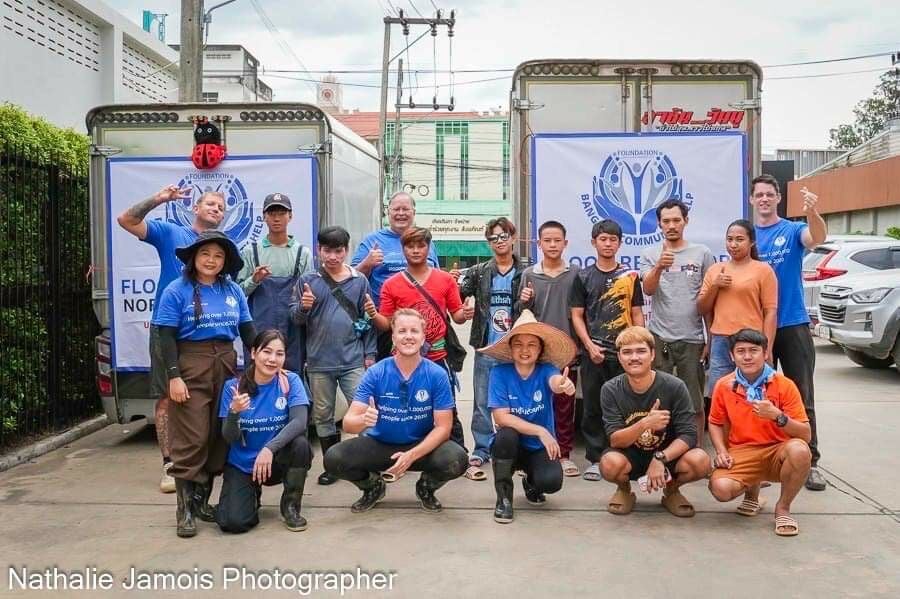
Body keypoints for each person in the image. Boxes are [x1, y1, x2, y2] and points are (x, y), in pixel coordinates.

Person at [117, 186, 225, 493]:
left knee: (206, 400)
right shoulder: (170, 234)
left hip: (207, 336)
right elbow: (126, 220)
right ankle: (169, 464)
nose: (216, 208)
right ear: (196, 207)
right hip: (170, 331)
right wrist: (157, 199)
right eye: (210, 203)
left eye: (221, 206)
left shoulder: (224, 246)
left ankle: (201, 460)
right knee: (167, 397)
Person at [152, 230, 255, 538]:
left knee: (216, 437)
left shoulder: (233, 290)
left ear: (226, 262)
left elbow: (248, 331)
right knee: (192, 438)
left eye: (218, 255)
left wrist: (264, 360)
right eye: (205, 254)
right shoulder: (176, 290)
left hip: (225, 363)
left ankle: (201, 502)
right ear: (194, 258)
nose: (211, 260)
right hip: (190, 364)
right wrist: (173, 376)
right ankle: (183, 509)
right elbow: (165, 337)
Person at [323, 309, 468, 513]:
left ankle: (426, 487)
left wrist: (411, 455)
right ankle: (372, 486)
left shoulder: (437, 374)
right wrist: (364, 419)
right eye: (402, 331)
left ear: (423, 336)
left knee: (456, 459)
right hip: (380, 444)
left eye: (414, 331)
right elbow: (348, 422)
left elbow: (444, 428)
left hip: (420, 445)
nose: (408, 336)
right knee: (334, 458)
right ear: (393, 336)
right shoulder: (376, 372)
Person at [751, 174, 827, 491]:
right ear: (752, 200)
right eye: (760, 195)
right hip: (756, 328)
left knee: (801, 395)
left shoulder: (792, 230)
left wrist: (812, 211)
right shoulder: (747, 235)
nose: (765, 199)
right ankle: (765, 462)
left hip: (793, 323)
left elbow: (818, 237)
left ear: (778, 198)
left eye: (770, 194)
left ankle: (809, 462)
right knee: (760, 398)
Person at [371, 227, 473, 452]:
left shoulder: (445, 280)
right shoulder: (391, 284)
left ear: (429, 247)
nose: (416, 250)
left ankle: (459, 454)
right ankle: (403, 452)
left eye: (421, 245)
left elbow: (456, 316)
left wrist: (464, 313)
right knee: (402, 406)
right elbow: (387, 324)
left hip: (438, 357)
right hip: (403, 360)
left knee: (448, 407)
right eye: (410, 246)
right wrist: (372, 314)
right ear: (403, 249)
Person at [290, 226, 377, 485]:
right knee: (323, 416)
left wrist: (370, 355)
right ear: (319, 250)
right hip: (318, 362)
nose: (333, 257)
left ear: (346, 251)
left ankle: (369, 461)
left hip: (353, 361)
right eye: (327, 250)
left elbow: (368, 318)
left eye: (338, 251)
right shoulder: (308, 280)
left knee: (365, 413)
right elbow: (294, 318)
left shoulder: (359, 281)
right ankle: (333, 464)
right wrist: (304, 308)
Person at [593, 326, 710, 517]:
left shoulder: (674, 386)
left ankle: (672, 490)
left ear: (653, 354)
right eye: (627, 352)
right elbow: (615, 440)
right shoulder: (610, 389)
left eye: (641, 351)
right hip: (630, 456)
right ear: (620, 357)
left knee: (700, 461)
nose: (634, 357)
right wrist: (645, 423)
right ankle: (623, 490)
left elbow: (689, 435)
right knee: (608, 464)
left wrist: (660, 458)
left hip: (667, 455)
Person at [708, 328, 812, 536]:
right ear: (731, 355)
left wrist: (777, 416)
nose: (747, 356)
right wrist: (721, 451)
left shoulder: (784, 385)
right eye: (741, 351)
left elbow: (806, 434)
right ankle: (752, 494)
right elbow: (715, 422)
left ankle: (783, 508)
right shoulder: (724, 385)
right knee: (720, 488)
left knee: (800, 451)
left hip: (778, 450)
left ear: (765, 353)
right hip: (743, 450)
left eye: (753, 350)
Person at [479, 310, 577, 523]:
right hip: (511, 446)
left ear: (540, 349)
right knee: (505, 435)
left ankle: (531, 484)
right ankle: (504, 497)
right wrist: (540, 430)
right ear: (510, 348)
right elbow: (501, 417)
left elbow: (555, 382)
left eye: (532, 344)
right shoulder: (499, 373)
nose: (525, 350)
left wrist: (563, 385)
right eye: (518, 344)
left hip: (537, 448)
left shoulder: (547, 370)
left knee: (551, 482)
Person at [570, 219, 645, 481]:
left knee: (626, 406)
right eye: (603, 239)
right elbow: (577, 316)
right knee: (592, 406)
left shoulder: (630, 276)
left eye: (613, 239)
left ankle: (622, 455)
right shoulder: (582, 277)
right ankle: (595, 457)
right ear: (594, 242)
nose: (608, 243)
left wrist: (637, 346)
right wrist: (589, 346)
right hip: (594, 353)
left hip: (624, 354)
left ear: (620, 243)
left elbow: (637, 313)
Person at [216, 330, 312, 533]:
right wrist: (234, 412)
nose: (272, 359)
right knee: (233, 523)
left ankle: (290, 506)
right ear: (253, 353)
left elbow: (299, 422)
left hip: (276, 460)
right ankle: (251, 496)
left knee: (301, 445)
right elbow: (229, 437)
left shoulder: (290, 381)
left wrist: (269, 449)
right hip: (244, 465)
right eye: (266, 352)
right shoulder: (233, 388)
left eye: (279, 353)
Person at [640, 200, 715, 446]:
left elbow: (709, 299)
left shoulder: (702, 253)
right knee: (659, 400)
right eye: (666, 221)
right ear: (659, 224)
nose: (671, 225)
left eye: (676, 220)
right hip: (659, 338)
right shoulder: (650, 254)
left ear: (686, 221)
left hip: (692, 339)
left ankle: (696, 451)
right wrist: (660, 266)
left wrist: (710, 339)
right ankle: (661, 450)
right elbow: (648, 290)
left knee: (694, 403)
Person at [457, 217, 526, 481]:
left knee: (517, 400)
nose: (499, 241)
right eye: (493, 238)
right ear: (488, 243)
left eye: (503, 236)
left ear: (513, 237)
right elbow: (460, 294)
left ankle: (518, 448)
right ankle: (483, 447)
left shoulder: (525, 272)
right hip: (486, 344)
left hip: (516, 347)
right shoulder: (479, 271)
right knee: (482, 400)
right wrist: (461, 300)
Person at [518, 220, 580, 477]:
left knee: (564, 404)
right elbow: (521, 315)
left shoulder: (576, 274)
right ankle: (530, 457)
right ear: (538, 243)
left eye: (557, 240)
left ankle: (564, 454)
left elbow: (581, 313)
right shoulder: (529, 275)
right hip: (538, 352)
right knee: (534, 404)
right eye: (547, 240)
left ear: (566, 243)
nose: (552, 245)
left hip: (566, 350)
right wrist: (522, 302)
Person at [697, 220, 778, 403]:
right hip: (721, 341)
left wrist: (768, 348)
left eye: (739, 239)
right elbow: (702, 308)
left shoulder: (763, 271)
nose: (733, 244)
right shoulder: (716, 270)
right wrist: (715, 286)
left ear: (752, 242)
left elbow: (770, 312)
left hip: (751, 340)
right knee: (720, 395)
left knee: (755, 396)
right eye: (730, 239)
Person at [351, 191, 439, 359]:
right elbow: (350, 279)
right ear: (388, 212)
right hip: (385, 324)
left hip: (422, 324)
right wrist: (367, 263)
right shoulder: (371, 241)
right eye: (396, 209)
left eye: (405, 209)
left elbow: (436, 276)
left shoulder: (427, 242)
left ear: (414, 212)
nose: (400, 214)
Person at [236, 193, 313, 374]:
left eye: (281, 213)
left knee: (292, 377)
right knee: (256, 375)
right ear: (264, 217)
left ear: (290, 216)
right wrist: (254, 280)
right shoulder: (250, 251)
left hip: (293, 328)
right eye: (271, 213)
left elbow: (308, 294)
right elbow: (237, 293)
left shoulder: (302, 253)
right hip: (258, 327)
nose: (276, 218)